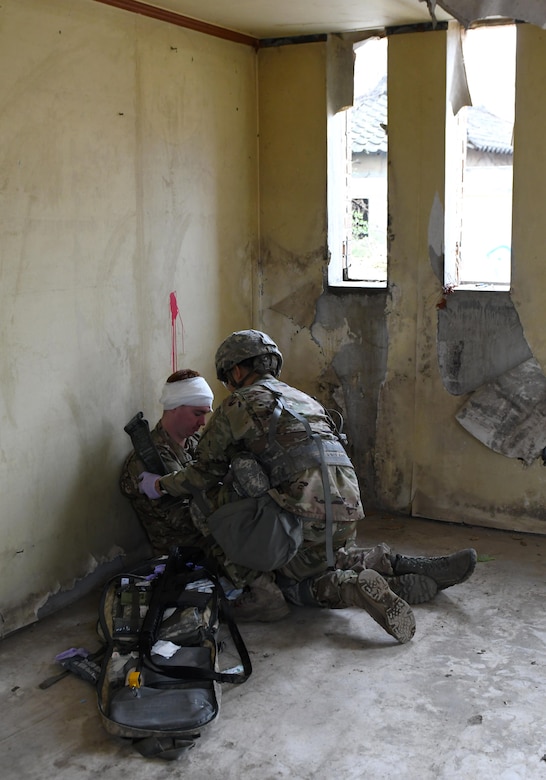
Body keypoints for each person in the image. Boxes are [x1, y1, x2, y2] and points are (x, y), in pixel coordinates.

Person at [138, 331, 477, 644]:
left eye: (227, 377)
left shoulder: (239, 403)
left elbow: (202, 473)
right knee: (323, 560)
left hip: (299, 518)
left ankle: (267, 593)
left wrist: (162, 485)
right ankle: (395, 567)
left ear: (237, 371)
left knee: (210, 504)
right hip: (347, 511)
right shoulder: (303, 399)